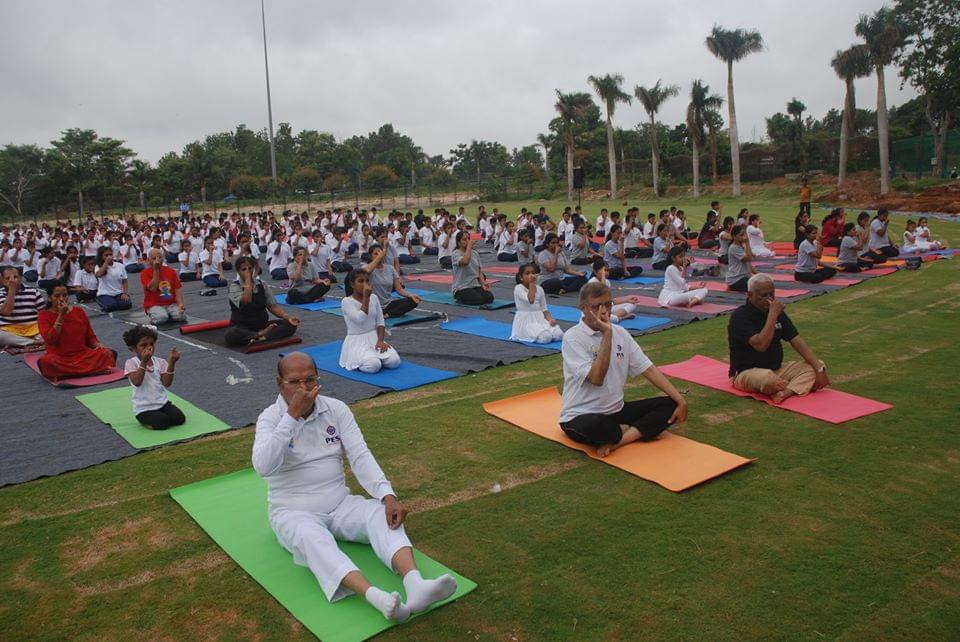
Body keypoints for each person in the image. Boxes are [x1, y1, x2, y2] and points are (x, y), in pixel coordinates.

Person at [252, 352, 458, 622]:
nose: (304, 388)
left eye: (310, 379)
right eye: (294, 382)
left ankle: (415, 584)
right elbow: (263, 466)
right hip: (293, 511)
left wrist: (387, 494)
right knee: (313, 539)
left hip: (340, 503)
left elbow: (360, 455)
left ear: (319, 381)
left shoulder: (335, 409)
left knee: (379, 513)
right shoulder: (269, 418)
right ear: (280, 385)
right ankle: (377, 597)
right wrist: (291, 416)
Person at [559, 281, 689, 457]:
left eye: (608, 304)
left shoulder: (622, 334)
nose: (604, 311)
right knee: (601, 427)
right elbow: (597, 379)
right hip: (581, 414)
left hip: (616, 410)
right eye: (596, 306)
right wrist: (607, 334)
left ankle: (620, 439)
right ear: (583, 308)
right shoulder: (573, 337)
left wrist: (680, 400)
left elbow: (648, 369)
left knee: (670, 405)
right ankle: (627, 431)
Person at [727, 274, 829, 404]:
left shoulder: (777, 312)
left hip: (777, 369)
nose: (769, 299)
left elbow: (796, 340)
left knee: (817, 364)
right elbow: (761, 345)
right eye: (763, 296)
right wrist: (773, 315)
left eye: (771, 294)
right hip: (746, 373)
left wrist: (819, 369)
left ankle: (784, 392)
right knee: (767, 379)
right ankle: (794, 386)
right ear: (750, 295)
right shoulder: (740, 316)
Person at [36, 280, 116, 379]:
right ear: (49, 298)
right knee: (46, 362)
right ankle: (89, 371)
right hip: (60, 357)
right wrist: (61, 315)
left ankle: (68, 374)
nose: (62, 299)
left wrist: (96, 344)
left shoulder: (79, 311)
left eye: (64, 295)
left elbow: (90, 336)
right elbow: (50, 339)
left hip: (82, 354)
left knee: (107, 353)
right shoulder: (43, 315)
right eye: (57, 296)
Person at [225, 256, 299, 347]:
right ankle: (259, 335)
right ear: (238, 271)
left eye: (250, 268)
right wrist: (248, 281)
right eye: (244, 269)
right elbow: (246, 301)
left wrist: (288, 317)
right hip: (242, 327)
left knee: (290, 324)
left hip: (262, 325)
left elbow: (272, 306)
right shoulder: (234, 286)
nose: (248, 271)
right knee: (231, 334)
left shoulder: (262, 284)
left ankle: (261, 337)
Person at [122, 324, 186, 429]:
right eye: (144, 345)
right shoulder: (131, 363)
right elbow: (137, 382)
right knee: (163, 423)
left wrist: (172, 362)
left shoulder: (160, 362)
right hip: (144, 409)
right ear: (133, 348)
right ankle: (143, 421)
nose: (149, 347)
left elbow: (167, 383)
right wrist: (144, 361)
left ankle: (160, 415)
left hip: (162, 404)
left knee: (179, 419)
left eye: (151, 344)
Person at [339, 269, 401, 373]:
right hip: (357, 340)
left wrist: (380, 341)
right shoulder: (346, 302)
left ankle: (376, 357)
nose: (365, 284)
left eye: (367, 281)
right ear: (352, 284)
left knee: (394, 362)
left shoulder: (374, 298)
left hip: (374, 337)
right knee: (374, 365)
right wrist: (366, 298)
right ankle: (360, 359)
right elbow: (360, 319)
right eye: (360, 281)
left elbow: (380, 321)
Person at [511, 263, 563, 344]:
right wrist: (532, 283)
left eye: (533, 273)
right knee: (546, 338)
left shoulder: (540, 289)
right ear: (521, 277)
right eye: (527, 273)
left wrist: (550, 319)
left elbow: (544, 308)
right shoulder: (518, 288)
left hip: (540, 319)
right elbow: (531, 300)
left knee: (559, 335)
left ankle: (543, 331)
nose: (531, 275)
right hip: (526, 321)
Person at [364, 244, 420, 318]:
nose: (378, 255)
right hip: (373, 306)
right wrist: (379, 257)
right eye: (375, 254)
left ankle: (388, 315)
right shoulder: (367, 268)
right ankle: (389, 313)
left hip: (388, 304)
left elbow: (399, 289)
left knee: (413, 301)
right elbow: (366, 271)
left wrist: (411, 295)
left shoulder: (390, 268)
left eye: (379, 253)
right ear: (371, 257)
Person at [0, 267, 45, 349]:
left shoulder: (33, 292)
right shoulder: (1, 293)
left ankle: (24, 342)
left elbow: (43, 313)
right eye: (8, 278)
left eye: (15, 277)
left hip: (33, 328)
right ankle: (32, 342)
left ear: (20, 278)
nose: (12, 281)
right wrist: (12, 290)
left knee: (54, 331)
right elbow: (6, 311)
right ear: (3, 280)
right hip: (10, 329)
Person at [140, 249, 187, 325]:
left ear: (163, 258)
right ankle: (156, 314)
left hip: (171, 303)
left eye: (159, 257)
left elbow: (177, 289)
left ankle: (169, 314)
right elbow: (152, 288)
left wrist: (180, 304)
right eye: (154, 258)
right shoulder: (145, 273)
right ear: (149, 260)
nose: (157, 260)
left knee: (182, 316)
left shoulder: (171, 271)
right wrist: (156, 270)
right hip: (154, 304)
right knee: (162, 318)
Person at [451, 232, 495, 305]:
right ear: (459, 243)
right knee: (478, 300)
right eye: (464, 239)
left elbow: (479, 271)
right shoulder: (456, 254)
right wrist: (469, 247)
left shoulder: (474, 253)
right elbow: (465, 262)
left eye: (469, 238)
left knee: (489, 298)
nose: (468, 241)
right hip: (461, 287)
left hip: (474, 285)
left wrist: (483, 284)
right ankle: (459, 298)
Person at [95, 246, 132, 312]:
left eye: (110, 254)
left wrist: (125, 293)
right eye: (106, 255)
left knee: (127, 304)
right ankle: (103, 302)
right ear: (101, 257)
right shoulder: (98, 266)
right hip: (105, 294)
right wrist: (106, 263)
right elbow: (98, 275)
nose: (109, 257)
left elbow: (124, 281)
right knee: (111, 306)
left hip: (118, 293)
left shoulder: (120, 265)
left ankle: (116, 302)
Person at [725, 225, 757, 292]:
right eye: (741, 235)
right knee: (757, 289)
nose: (744, 237)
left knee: (762, 284)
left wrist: (758, 274)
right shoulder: (734, 248)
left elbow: (749, 264)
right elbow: (749, 258)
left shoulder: (742, 246)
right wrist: (747, 243)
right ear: (734, 236)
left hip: (744, 277)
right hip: (736, 279)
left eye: (744, 235)